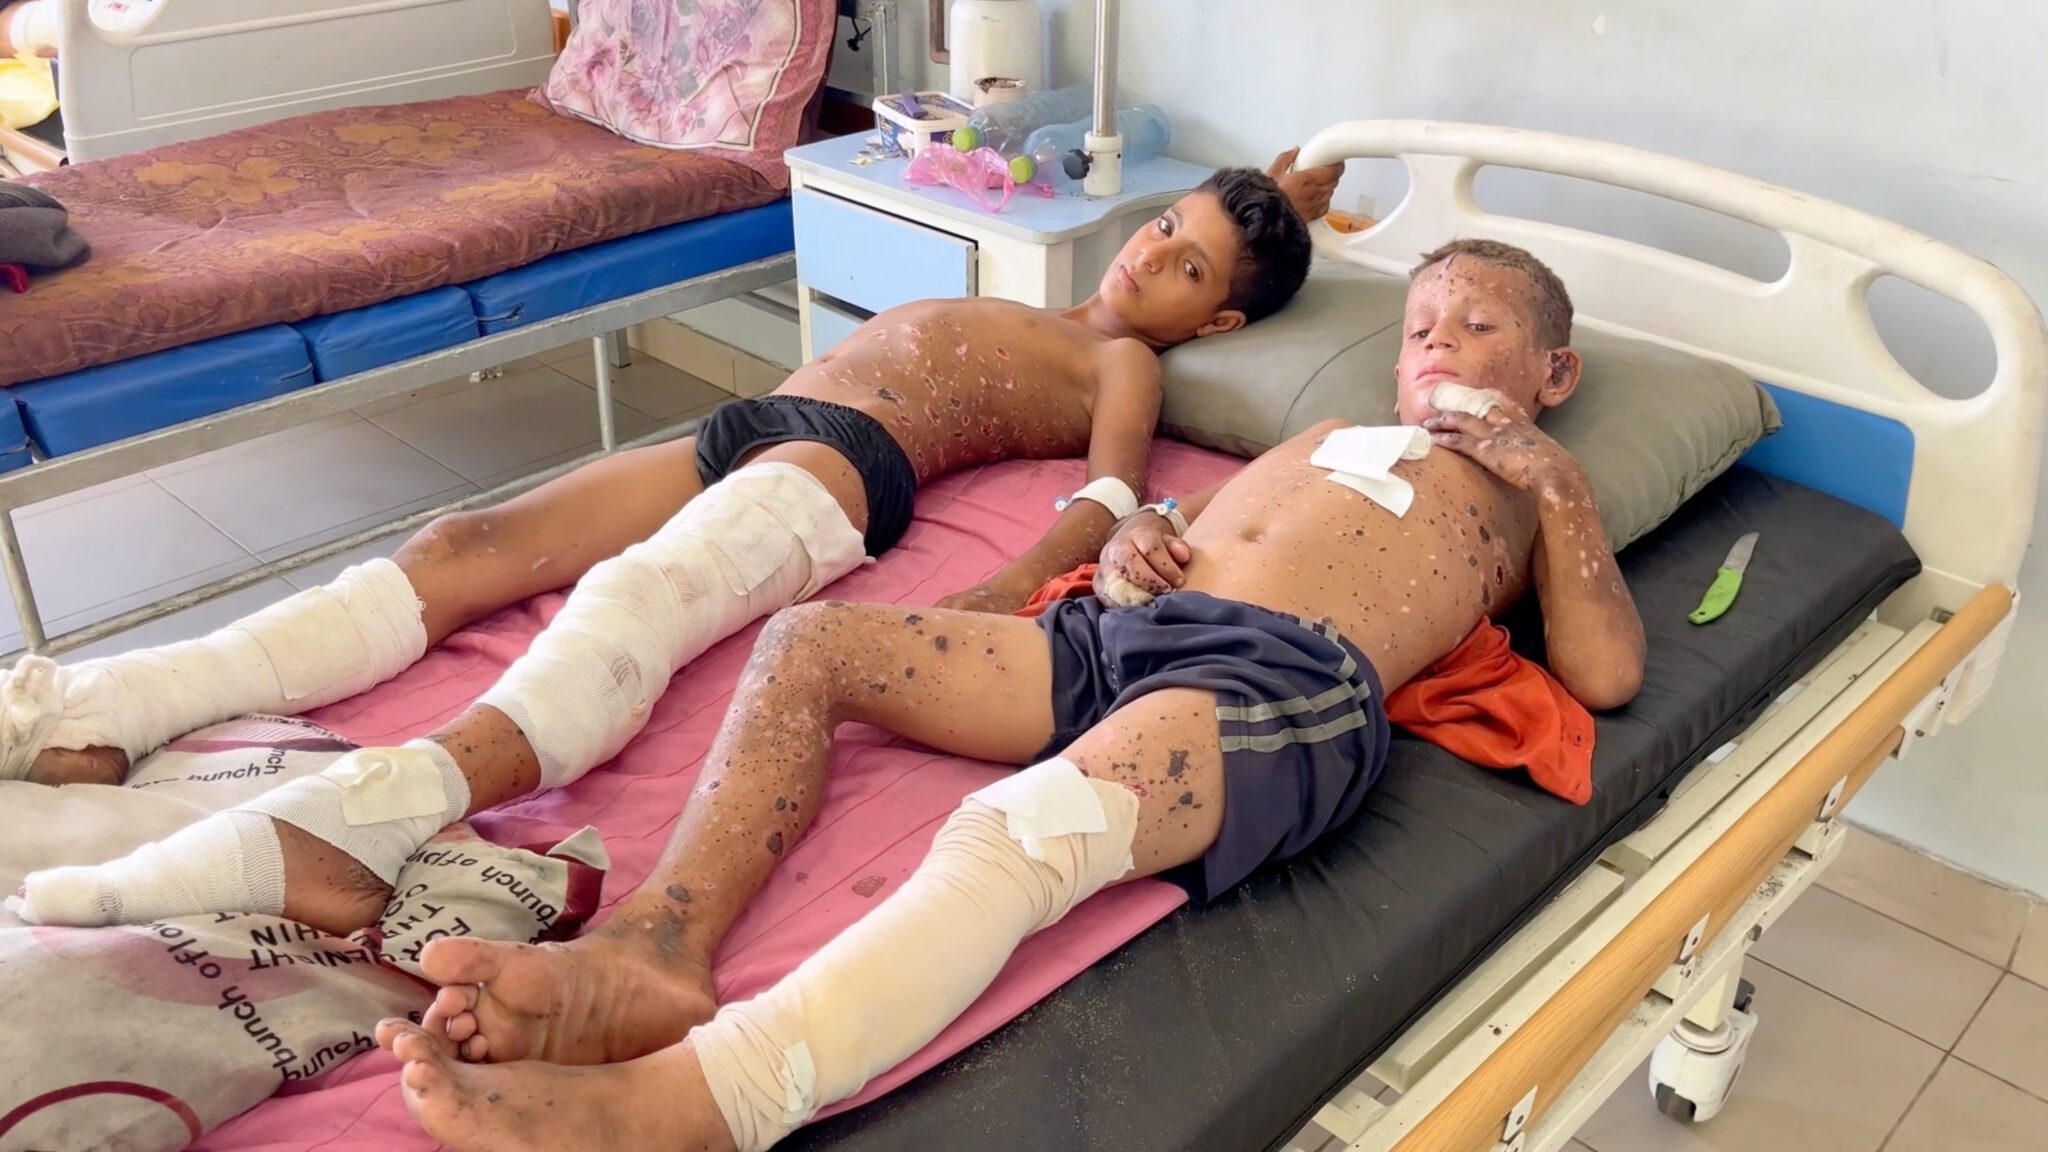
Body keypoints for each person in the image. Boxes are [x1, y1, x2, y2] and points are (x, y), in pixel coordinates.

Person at [372, 238, 1647, 1152]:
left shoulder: (1524, 498)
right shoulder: (1316, 442)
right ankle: (659, 947)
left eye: (1477, 329)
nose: (1438, 349)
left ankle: (711, 1101)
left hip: (1281, 679)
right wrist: (1143, 534)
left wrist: (1555, 485)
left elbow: (1604, 672)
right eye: (1421, 327)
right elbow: (1184, 515)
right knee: (810, 646)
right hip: (1128, 630)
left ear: (1554, 373)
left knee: (1018, 832)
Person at [8, 154, 1336, 934]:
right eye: (1165, 229)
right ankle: (110, 706)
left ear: (1216, 326)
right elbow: (1261, 199)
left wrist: (997, 591)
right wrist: (1289, 183)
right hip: (754, 419)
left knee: (637, 598)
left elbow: (1105, 501)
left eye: (1190, 272)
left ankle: (367, 819)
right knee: (464, 539)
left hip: (848, 463)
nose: (1150, 260)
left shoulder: (1124, 368)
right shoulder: (1066, 283)